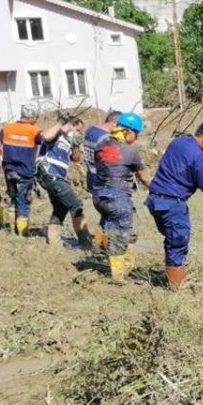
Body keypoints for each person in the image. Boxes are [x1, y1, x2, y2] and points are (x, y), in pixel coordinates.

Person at [145, 123, 203, 289]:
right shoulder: (198, 156)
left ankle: (172, 276)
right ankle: (176, 288)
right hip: (172, 203)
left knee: (171, 239)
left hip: (155, 200)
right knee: (178, 242)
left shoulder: (178, 141)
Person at [92, 113, 152, 281]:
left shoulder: (101, 145)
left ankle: (97, 254)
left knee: (106, 225)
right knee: (120, 235)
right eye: (136, 133)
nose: (137, 137)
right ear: (127, 131)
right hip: (118, 196)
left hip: (99, 195)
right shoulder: (130, 151)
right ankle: (118, 276)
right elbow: (145, 177)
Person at [35, 115, 95, 247]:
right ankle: (86, 242)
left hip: (58, 176)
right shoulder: (57, 134)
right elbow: (45, 136)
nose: (79, 132)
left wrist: (76, 144)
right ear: (70, 125)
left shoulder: (69, 140)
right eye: (77, 129)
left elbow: (77, 159)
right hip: (49, 173)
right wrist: (61, 124)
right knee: (76, 205)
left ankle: (53, 242)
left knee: (60, 208)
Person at [0, 106, 44, 236]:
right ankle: (23, 234)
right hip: (24, 172)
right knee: (23, 201)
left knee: (13, 199)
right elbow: (46, 142)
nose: (36, 121)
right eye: (36, 118)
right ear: (31, 117)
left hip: (8, 170)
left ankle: (12, 231)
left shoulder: (6, 128)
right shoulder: (34, 130)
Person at [83, 111, 122, 248]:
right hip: (103, 181)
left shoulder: (90, 130)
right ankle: (105, 246)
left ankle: (98, 245)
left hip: (91, 177)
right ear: (114, 124)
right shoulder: (106, 138)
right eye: (120, 127)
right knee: (112, 215)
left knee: (105, 214)